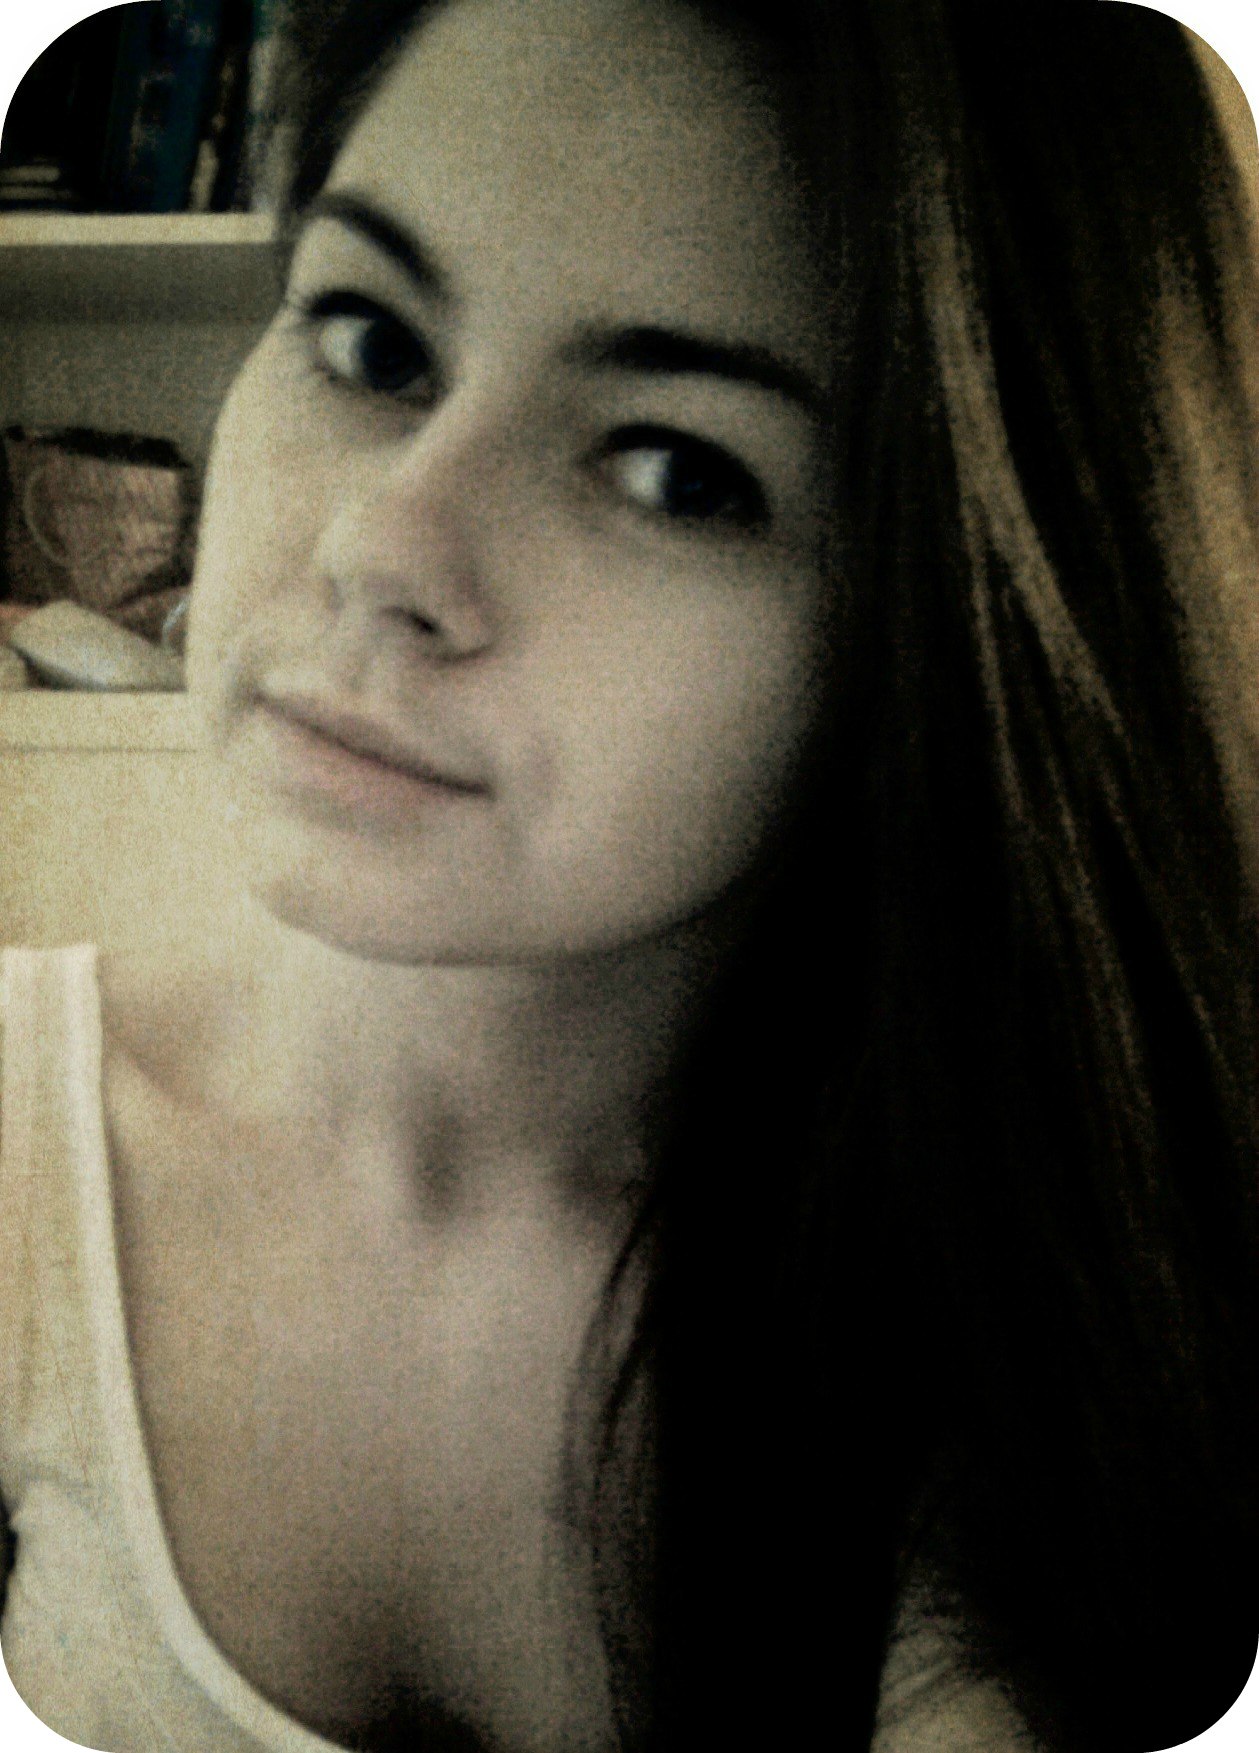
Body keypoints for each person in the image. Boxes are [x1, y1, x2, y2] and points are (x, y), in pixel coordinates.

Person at [1, 1, 1257, 1748]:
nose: (381, 542)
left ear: (933, 630)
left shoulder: (1026, 1308)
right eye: (369, 338)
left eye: (677, 470)